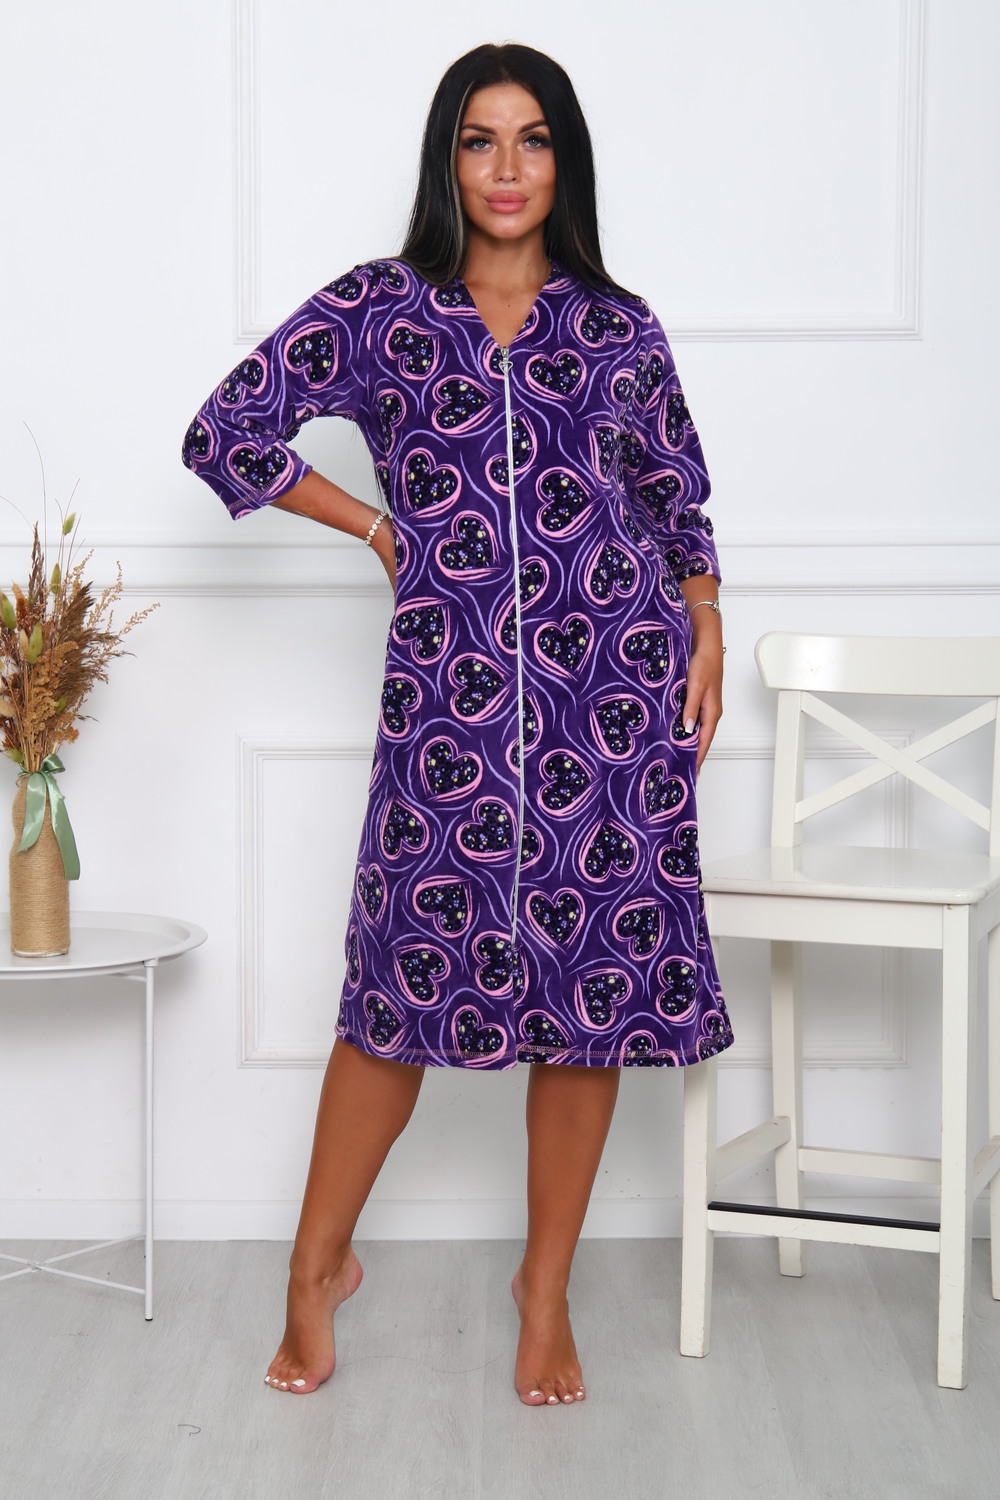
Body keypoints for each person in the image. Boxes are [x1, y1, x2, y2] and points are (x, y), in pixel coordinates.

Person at [182, 41, 732, 1408]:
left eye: (532, 139)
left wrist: (707, 623)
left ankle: (544, 1292)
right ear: (448, 161)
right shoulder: (382, 309)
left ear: (564, 161)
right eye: (479, 140)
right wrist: (378, 527)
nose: (505, 168)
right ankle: (315, 1269)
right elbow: (226, 432)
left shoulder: (618, 327)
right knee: (397, 997)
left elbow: (677, 500)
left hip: (616, 701)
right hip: (451, 710)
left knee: (591, 1005)